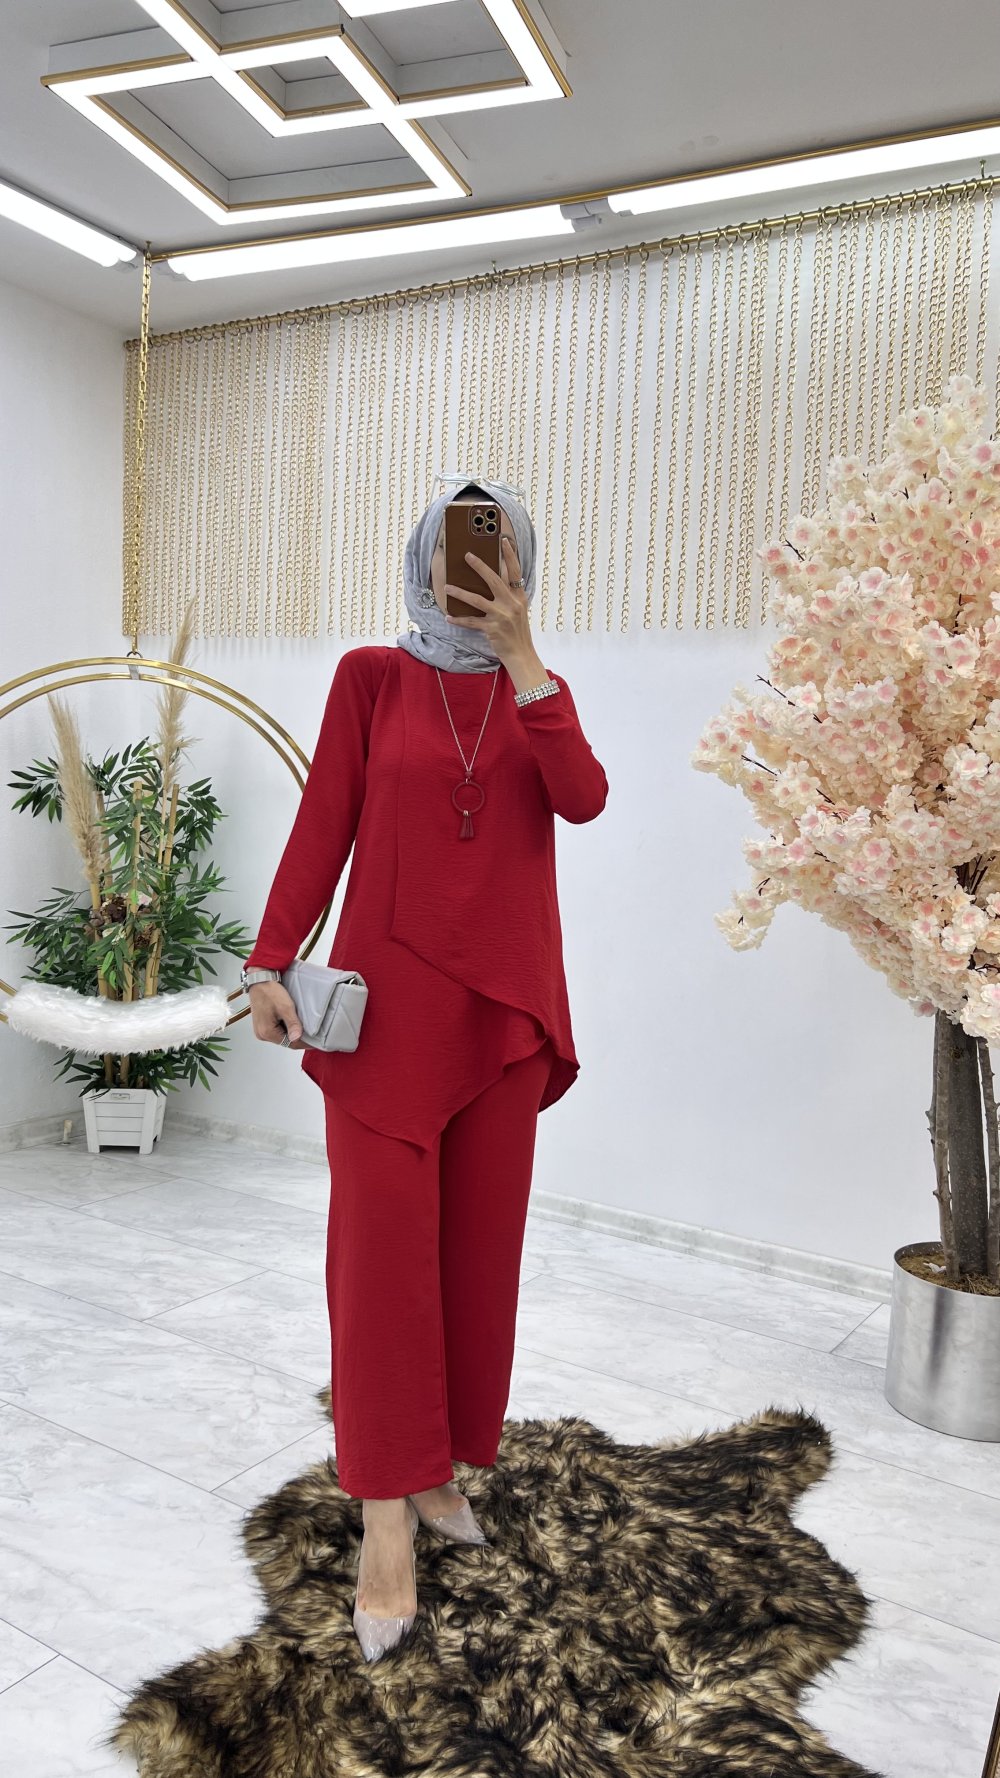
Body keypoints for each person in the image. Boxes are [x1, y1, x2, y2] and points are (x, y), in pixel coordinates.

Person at [243, 476, 608, 1660]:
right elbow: (325, 820)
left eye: (495, 553)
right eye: (455, 551)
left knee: (474, 1262)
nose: (471, 571)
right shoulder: (371, 677)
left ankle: (443, 1464)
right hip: (387, 1018)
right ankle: (385, 1521)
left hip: (503, 1015)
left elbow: (583, 799)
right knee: (380, 1267)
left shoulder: (536, 691)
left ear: (523, 568)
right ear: (421, 559)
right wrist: (268, 957)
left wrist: (524, 658)